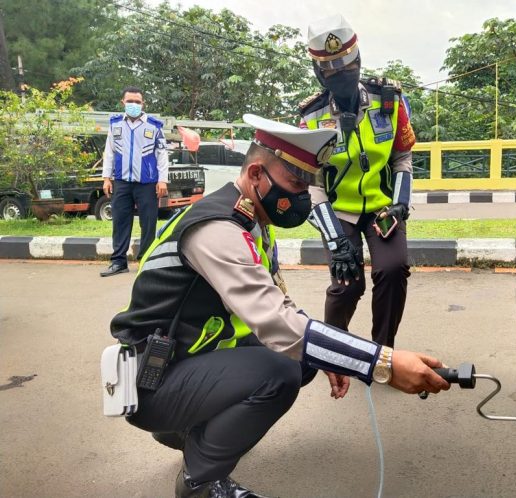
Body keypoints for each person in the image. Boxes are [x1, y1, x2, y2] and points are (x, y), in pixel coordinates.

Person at [108, 114, 449, 498]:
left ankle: (192, 433)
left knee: (301, 361)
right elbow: (277, 324)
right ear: (256, 174)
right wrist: (381, 363)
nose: (303, 196)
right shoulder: (218, 230)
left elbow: (278, 304)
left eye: (308, 185)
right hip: (152, 381)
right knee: (279, 373)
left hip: (184, 362)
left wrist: (330, 357)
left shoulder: (250, 218)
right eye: (295, 183)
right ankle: (200, 481)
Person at [299, 14, 417, 347]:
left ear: (359, 62)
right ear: (319, 73)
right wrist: (335, 241)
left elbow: (402, 157)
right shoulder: (311, 117)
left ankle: (382, 350)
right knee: (347, 282)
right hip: (339, 212)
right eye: (331, 72)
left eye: (347, 68)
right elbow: (313, 183)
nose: (341, 77)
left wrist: (400, 204)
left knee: (393, 270)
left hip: (383, 206)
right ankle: (334, 349)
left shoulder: (388, 101)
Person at [100, 86, 169, 277]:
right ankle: (118, 262)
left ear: (143, 104)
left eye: (137, 102)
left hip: (147, 182)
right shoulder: (115, 125)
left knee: (148, 222)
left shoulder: (154, 126)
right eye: (130, 101)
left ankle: (145, 261)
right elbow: (110, 153)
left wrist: (162, 180)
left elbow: (162, 154)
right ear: (123, 102)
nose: (133, 105)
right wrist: (106, 178)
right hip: (122, 181)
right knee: (120, 221)